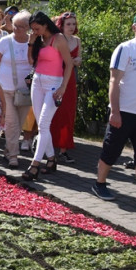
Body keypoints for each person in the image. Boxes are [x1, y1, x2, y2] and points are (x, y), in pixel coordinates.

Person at [90, 9, 136, 210]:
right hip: (124, 111)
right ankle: (100, 183)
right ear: (134, 28)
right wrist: (115, 111)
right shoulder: (125, 49)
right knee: (111, 149)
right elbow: (114, 80)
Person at [21, 11, 74, 181]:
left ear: (45, 25)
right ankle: (51, 159)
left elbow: (70, 63)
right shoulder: (38, 40)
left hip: (54, 84)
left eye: (37, 28)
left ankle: (35, 164)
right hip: (37, 82)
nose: (34, 31)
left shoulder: (58, 39)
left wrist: (64, 87)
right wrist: (31, 43)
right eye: (33, 29)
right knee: (41, 123)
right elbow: (31, 62)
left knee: (44, 123)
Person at [0, 10, 32, 169]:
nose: (16, 29)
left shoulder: (33, 43)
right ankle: (13, 156)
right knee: (12, 123)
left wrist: (31, 82)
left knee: (19, 125)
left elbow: (36, 66)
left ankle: (8, 149)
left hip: (25, 93)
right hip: (5, 90)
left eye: (21, 27)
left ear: (28, 27)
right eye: (15, 25)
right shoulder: (4, 42)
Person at [51, 12, 82, 163]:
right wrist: (70, 60)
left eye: (73, 24)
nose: (71, 27)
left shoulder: (77, 40)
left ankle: (64, 149)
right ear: (61, 25)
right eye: (68, 24)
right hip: (56, 77)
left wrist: (77, 60)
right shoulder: (56, 39)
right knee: (54, 111)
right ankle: (49, 146)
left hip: (70, 80)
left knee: (68, 112)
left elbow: (79, 59)